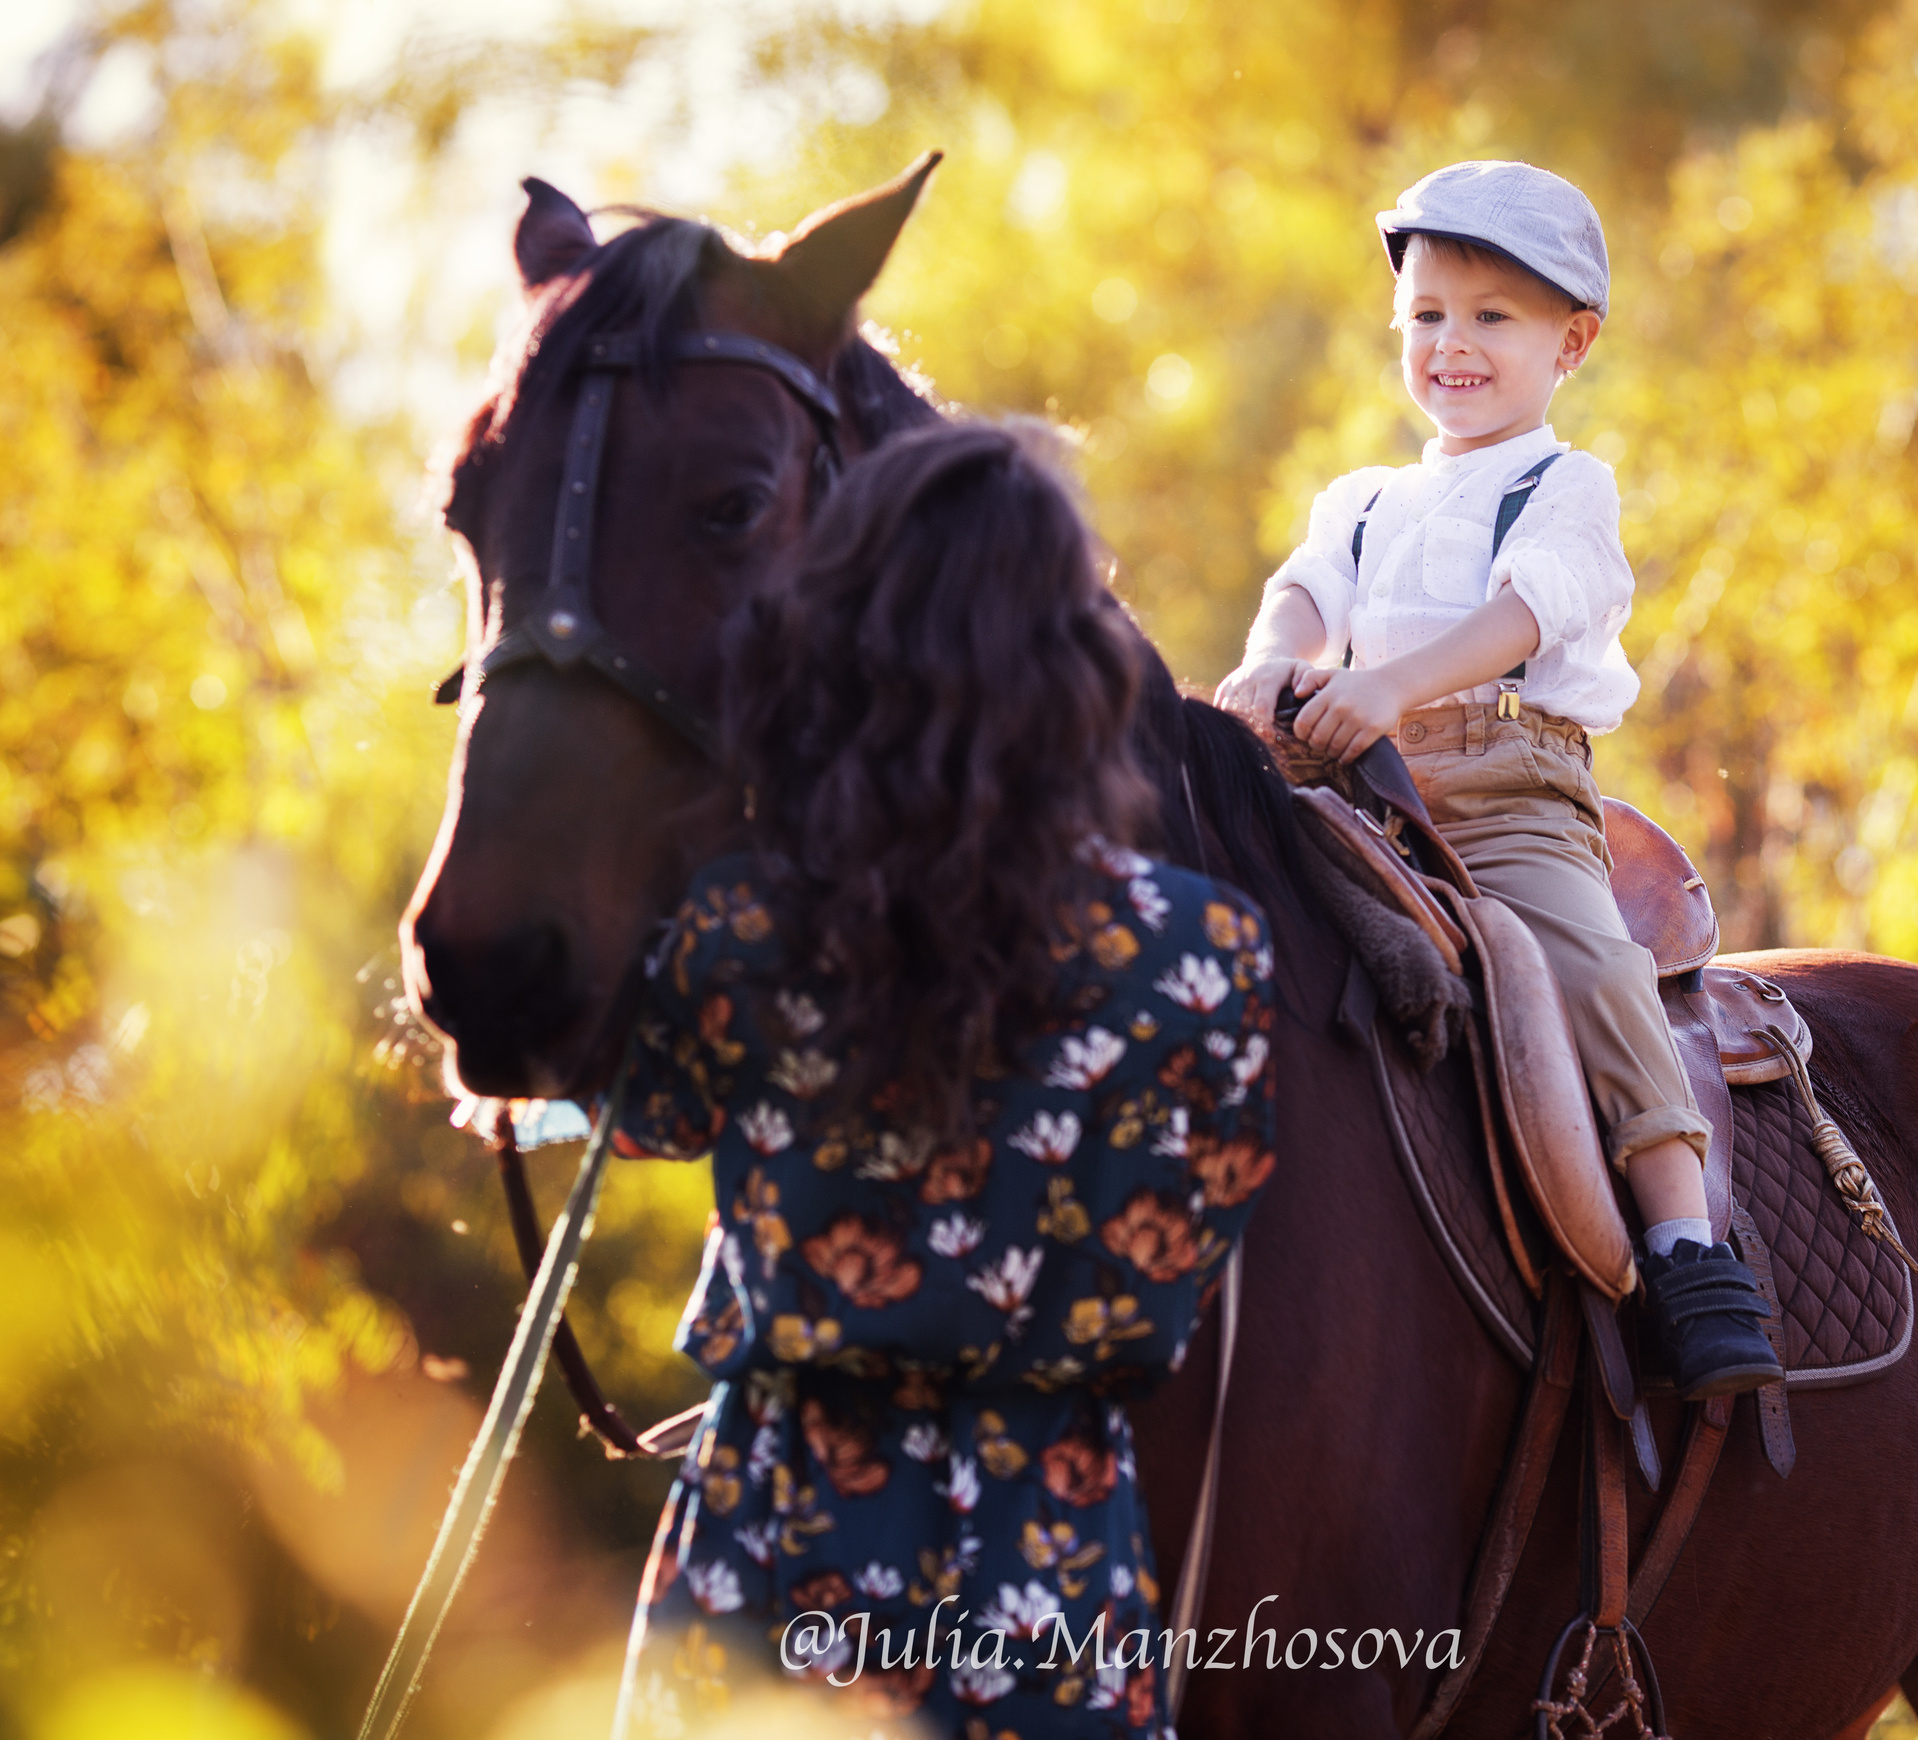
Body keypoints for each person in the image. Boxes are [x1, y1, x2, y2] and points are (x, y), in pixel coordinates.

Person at [610, 422, 1275, 1738]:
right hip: (1045, 1571)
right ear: (1083, 671)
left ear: (833, 645)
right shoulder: (1206, 957)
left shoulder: (740, 933)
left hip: (772, 1547)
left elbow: (643, 1120)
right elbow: (1171, 1285)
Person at [1212, 160, 1776, 1400]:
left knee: (1585, 961)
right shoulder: (1363, 498)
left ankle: (1686, 1241)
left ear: (1570, 344)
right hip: (1348, 777)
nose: (1449, 346)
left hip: (1503, 785)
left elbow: (1532, 610)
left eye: (1490, 317)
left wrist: (1393, 683)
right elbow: (1304, 592)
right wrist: (1273, 663)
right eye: (1425, 315)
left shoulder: (1562, 484)